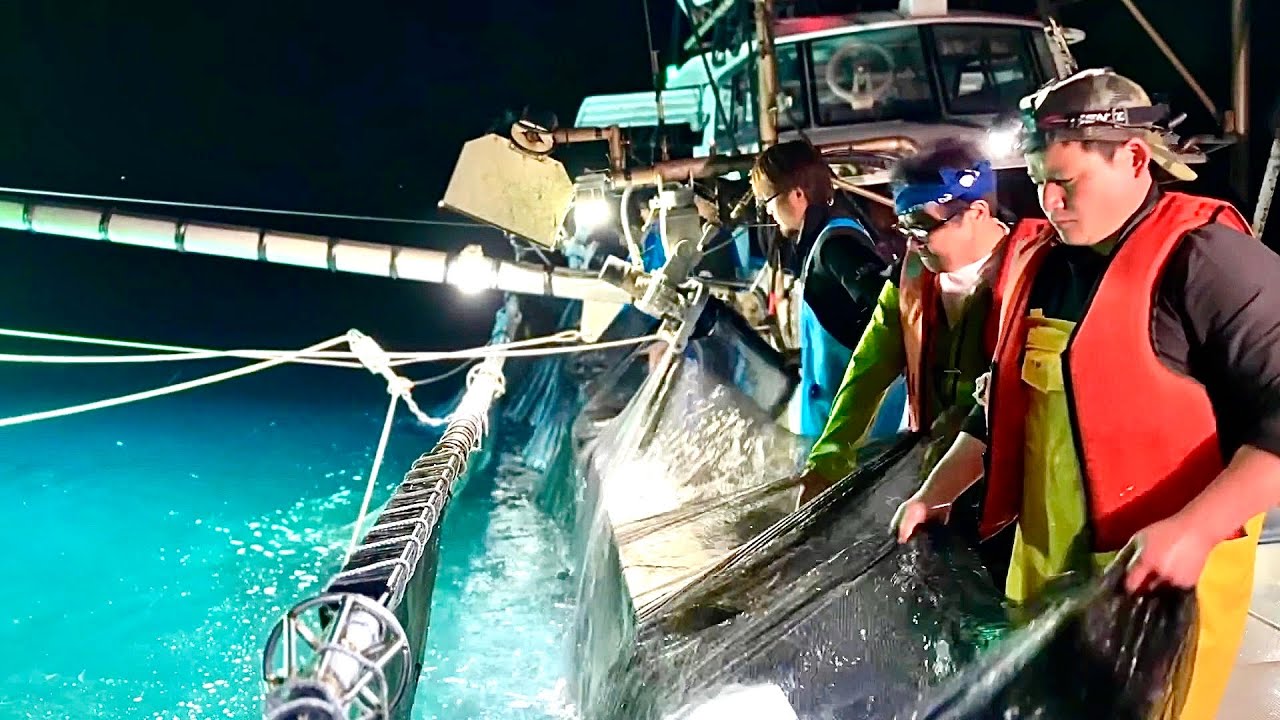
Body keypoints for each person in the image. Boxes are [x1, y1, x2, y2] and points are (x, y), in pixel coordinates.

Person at [894, 67, 1280, 719]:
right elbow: (1000, 411)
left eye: (1066, 182)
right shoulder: (1041, 266)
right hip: (1047, 592)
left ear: (1133, 158)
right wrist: (935, 491)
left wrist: (1193, 531)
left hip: (1154, 602)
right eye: (1039, 180)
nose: (1049, 201)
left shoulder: (1211, 264)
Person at [796, 139, 1053, 578]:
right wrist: (831, 454)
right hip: (936, 482)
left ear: (975, 214)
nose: (913, 244)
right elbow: (870, 367)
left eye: (922, 228)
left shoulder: (1042, 275)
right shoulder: (915, 276)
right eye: (904, 229)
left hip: (1018, 492)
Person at [750, 140, 893, 438]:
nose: (770, 214)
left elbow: (886, 317)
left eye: (769, 202)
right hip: (838, 429)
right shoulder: (822, 243)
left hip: (857, 438)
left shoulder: (835, 245)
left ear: (797, 195)